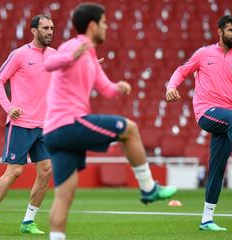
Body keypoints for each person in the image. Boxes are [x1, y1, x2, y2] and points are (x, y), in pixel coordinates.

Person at [42, 3, 177, 240]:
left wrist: (119, 87)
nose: (107, 27)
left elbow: (105, 89)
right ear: (93, 26)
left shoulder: (91, 55)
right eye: (104, 22)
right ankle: (148, 188)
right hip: (68, 123)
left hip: (55, 132)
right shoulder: (73, 46)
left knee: (64, 195)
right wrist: (70, 56)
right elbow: (48, 64)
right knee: (130, 129)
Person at [166, 15, 232, 231]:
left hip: (227, 121)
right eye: (231, 30)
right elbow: (181, 71)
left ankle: (207, 220)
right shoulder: (204, 54)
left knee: (216, 170)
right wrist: (171, 87)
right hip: (206, 113)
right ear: (220, 32)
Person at [0, 15, 56, 235]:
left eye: (52, 28)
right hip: (20, 123)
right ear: (33, 30)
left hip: (43, 124)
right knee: (15, 171)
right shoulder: (20, 54)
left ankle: (28, 222)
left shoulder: (54, 56)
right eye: (45, 28)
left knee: (46, 170)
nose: (50, 31)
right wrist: (9, 107)